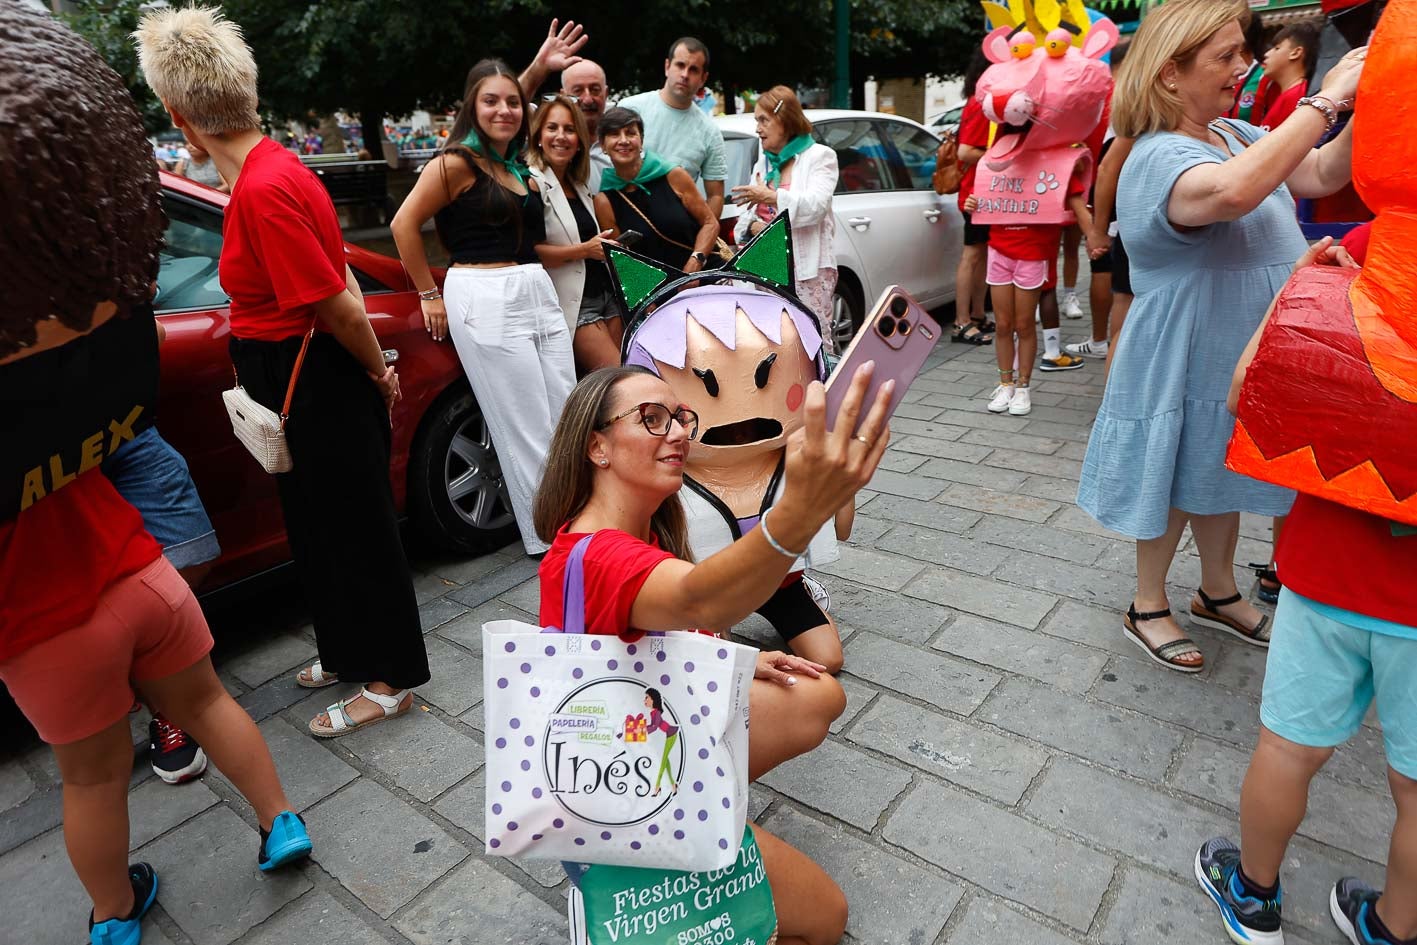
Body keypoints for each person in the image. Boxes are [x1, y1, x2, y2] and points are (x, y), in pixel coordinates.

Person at [2, 9, 311, 944]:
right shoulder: (81, 404)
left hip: (40, 632)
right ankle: (280, 821)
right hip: (138, 576)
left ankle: (112, 913)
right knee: (211, 702)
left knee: (91, 779)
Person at [137, 5, 430, 732]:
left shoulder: (264, 186)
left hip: (315, 374)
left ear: (179, 115)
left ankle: (392, 676)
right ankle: (344, 648)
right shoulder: (271, 172)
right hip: (302, 372)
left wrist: (377, 372)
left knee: (356, 528)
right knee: (315, 526)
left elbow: (340, 305)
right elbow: (340, 285)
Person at [533, 363, 894, 945]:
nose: (677, 431)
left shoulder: (624, 532)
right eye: (651, 419)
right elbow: (700, 601)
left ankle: (708, 813)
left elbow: (660, 644)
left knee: (816, 694)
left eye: (679, 416)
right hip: (636, 798)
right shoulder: (599, 555)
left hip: (629, 761)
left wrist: (745, 661)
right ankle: (686, 842)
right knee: (826, 920)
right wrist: (799, 508)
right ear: (596, 446)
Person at [1075, 0, 1365, 673]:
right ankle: (1147, 604)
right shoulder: (1153, 154)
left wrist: (1364, 103)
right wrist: (1324, 101)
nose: (1243, 68)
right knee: (1175, 472)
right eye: (1226, 57)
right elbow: (1233, 194)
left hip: (1236, 342)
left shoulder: (1232, 131)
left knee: (1220, 465)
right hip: (1183, 346)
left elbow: (1319, 174)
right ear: (1170, 73)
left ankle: (1216, 590)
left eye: (1243, 52)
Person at [391, 59, 575, 556]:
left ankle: (577, 521)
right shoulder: (455, 162)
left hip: (535, 291)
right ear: (471, 107)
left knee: (564, 412)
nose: (504, 109)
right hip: (484, 293)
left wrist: (536, 70)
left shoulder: (514, 164)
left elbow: (517, 100)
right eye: (490, 100)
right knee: (526, 424)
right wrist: (428, 293)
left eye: (513, 101)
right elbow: (403, 225)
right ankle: (553, 539)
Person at [970, 162, 1093, 416]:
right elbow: (979, 196)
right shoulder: (996, 163)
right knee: (1003, 324)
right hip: (999, 249)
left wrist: (1094, 236)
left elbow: (1077, 200)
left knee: (1024, 324)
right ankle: (1006, 384)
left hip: (1033, 252)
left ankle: (1023, 386)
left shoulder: (1053, 162)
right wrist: (973, 203)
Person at [730, 86, 841, 349]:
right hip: (768, 268)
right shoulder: (764, 164)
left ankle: (819, 390)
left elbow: (816, 206)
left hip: (807, 271)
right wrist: (754, 224)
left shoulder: (820, 157)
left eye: (763, 120)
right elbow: (745, 216)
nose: (758, 128)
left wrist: (770, 198)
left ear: (785, 120)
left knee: (812, 342)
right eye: (757, 120)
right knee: (775, 345)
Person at [527, 94, 624, 374]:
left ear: (580, 140)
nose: (561, 136)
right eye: (552, 128)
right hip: (574, 303)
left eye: (569, 129)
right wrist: (585, 249)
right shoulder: (532, 183)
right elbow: (530, 254)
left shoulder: (579, 185)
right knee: (616, 378)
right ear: (538, 137)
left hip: (607, 295)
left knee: (622, 377)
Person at [597, 106, 720, 273]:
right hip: (659, 292)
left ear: (641, 140)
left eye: (631, 133)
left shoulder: (673, 175)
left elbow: (710, 223)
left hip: (704, 274)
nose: (624, 140)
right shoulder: (605, 200)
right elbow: (623, 260)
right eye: (614, 134)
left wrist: (694, 265)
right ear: (603, 145)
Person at [617, 38, 729, 218]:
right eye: (680, 65)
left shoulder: (710, 132)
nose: (685, 74)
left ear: (703, 78)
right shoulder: (630, 109)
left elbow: (715, 195)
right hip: (626, 227)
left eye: (693, 69)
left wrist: (702, 238)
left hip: (678, 238)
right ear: (667, 66)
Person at [952, 49, 995, 348]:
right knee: (972, 256)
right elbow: (965, 151)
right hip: (974, 195)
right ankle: (962, 322)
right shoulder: (981, 104)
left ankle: (977, 314)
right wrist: (1000, 157)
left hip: (980, 193)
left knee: (980, 255)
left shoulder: (979, 101)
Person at [1257, 24, 1320, 130]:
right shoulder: (1289, 94)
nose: (1267, 54)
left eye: (1277, 48)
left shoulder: (1297, 96)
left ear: (1296, 52)